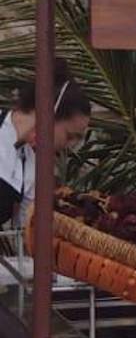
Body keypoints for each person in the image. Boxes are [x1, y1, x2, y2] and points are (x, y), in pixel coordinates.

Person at [0, 60, 90, 227]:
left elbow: (26, 227)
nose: (70, 146)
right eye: (70, 136)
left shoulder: (31, 164)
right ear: (48, 114)